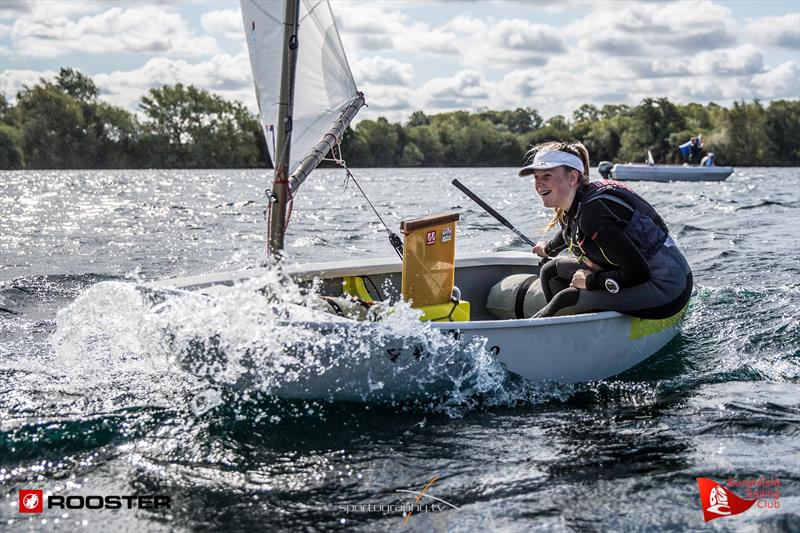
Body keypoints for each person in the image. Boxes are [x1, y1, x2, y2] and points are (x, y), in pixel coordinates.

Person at [519, 140, 693, 319]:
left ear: (572, 178)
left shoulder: (593, 214)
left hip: (667, 286)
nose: (539, 184)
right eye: (536, 177)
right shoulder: (577, 202)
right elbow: (570, 233)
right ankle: (569, 329)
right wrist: (547, 249)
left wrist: (590, 281)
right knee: (550, 271)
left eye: (546, 176)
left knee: (566, 299)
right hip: (640, 273)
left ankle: (531, 335)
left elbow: (638, 273)